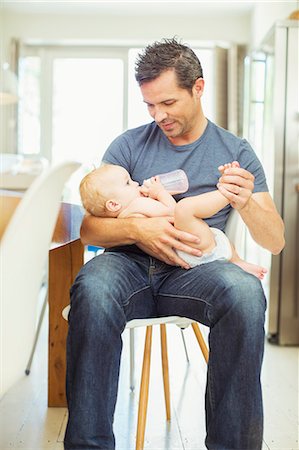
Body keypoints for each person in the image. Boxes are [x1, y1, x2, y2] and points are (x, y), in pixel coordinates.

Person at [65, 38, 285, 450]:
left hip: (197, 272)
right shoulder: (128, 146)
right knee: (92, 288)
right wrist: (139, 231)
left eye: (167, 102)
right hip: (127, 267)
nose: (158, 115)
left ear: (198, 88)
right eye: (149, 105)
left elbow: (275, 241)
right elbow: (91, 229)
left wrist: (244, 202)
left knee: (245, 292)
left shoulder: (236, 152)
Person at [80, 163, 267, 279]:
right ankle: (227, 192)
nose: (136, 183)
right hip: (194, 246)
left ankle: (238, 262)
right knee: (184, 208)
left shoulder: (128, 214)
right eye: (128, 183)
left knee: (202, 224)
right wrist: (160, 193)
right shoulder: (136, 206)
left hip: (190, 254)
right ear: (113, 204)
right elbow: (171, 211)